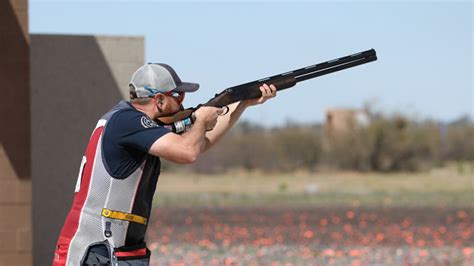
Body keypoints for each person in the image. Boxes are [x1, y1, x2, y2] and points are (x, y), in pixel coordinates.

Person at [53, 63, 277, 265]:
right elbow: (188, 152)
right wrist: (200, 120)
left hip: (119, 248)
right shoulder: (127, 120)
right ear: (159, 100)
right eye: (177, 95)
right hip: (93, 247)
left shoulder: (137, 124)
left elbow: (200, 144)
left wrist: (241, 105)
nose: (182, 102)